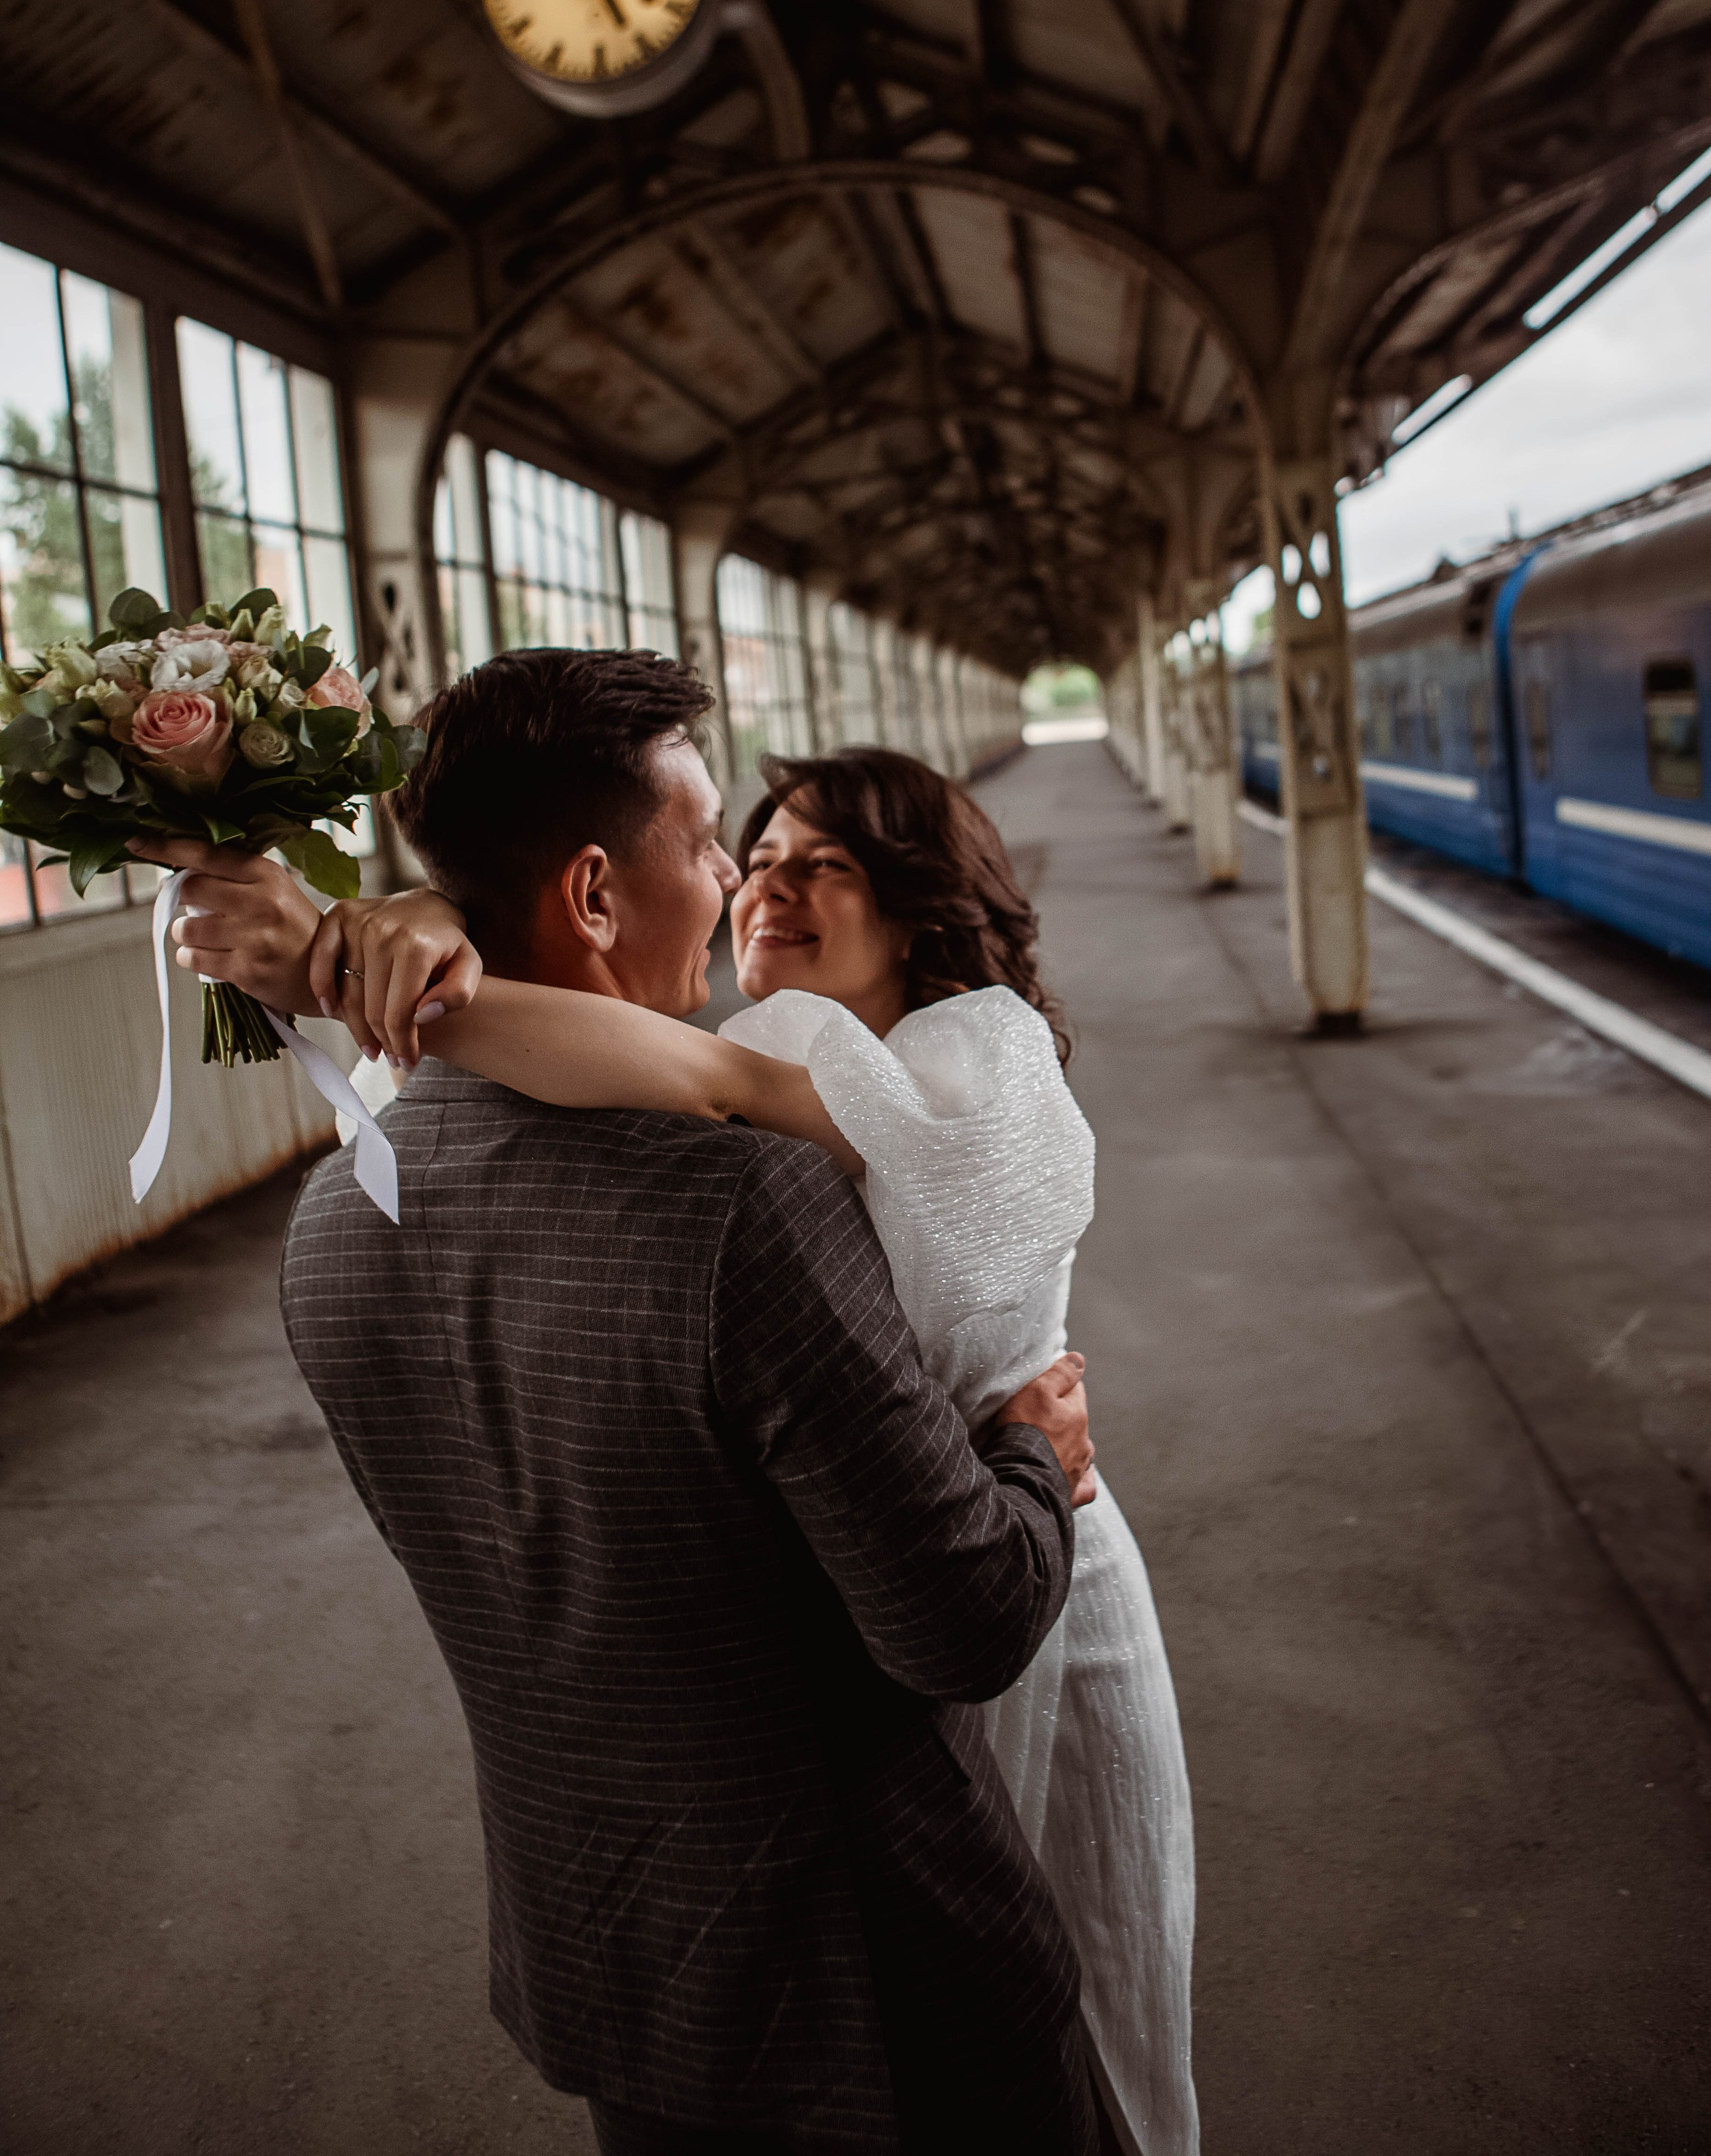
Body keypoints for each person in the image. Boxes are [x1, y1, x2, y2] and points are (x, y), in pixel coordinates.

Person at [172, 722, 1199, 2156]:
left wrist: (356, 960)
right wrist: (412, 930)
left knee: (1109, 1959)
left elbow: (673, 1087)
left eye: (821, 864)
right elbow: (649, 1069)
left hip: (666, 1904)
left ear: (922, 902)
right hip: (890, 1839)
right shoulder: (733, 1136)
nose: (749, 883)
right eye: (740, 849)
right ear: (598, 889)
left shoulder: (967, 1065)